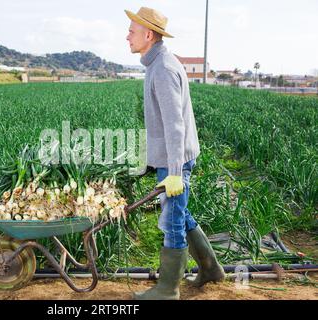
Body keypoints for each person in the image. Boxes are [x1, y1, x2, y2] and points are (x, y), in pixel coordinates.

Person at [125, 7, 225, 300]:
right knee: (180, 213)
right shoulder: (156, 64)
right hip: (170, 157)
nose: (127, 36)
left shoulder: (164, 69)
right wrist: (149, 163)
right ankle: (211, 269)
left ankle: (168, 289)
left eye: (132, 31)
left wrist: (173, 172)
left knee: (171, 221)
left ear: (148, 34)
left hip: (176, 159)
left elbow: (175, 126)